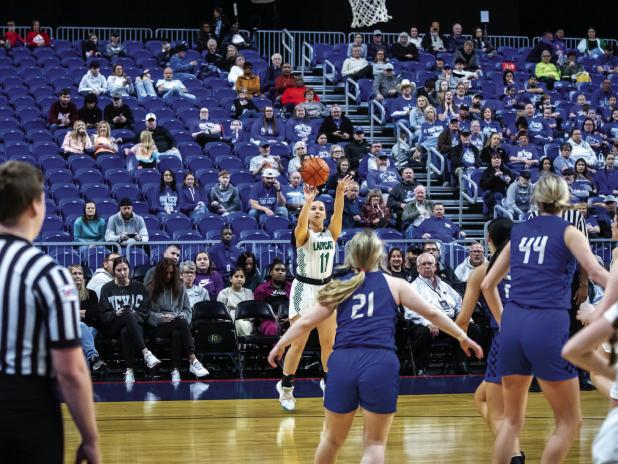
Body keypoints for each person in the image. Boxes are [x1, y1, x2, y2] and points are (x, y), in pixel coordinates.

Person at [268, 229, 483, 463]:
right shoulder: (394, 284)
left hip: (343, 363)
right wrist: (463, 336)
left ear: (351, 256)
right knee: (374, 444)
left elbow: (306, 321)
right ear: (379, 254)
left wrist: (280, 344)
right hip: (379, 363)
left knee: (330, 440)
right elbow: (432, 313)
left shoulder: (339, 286)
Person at [481, 174, 609, 463]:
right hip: (547, 325)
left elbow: (488, 285)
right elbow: (598, 273)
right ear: (565, 199)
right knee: (569, 422)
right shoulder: (568, 232)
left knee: (511, 423)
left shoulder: (519, 231)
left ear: (536, 199)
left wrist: (504, 322)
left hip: (513, 324)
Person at [0, 161, 100, 464]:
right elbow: (70, 370)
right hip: (24, 409)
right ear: (34, 206)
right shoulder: (48, 274)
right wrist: (90, 438)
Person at [276, 177, 352, 411]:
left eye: (321, 208)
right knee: (298, 344)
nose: (318, 210)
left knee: (329, 344)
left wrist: (339, 194)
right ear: (308, 214)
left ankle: (328, 383)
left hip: (326, 290)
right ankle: (286, 388)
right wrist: (308, 201)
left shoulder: (331, 234)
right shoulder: (302, 235)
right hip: (303, 290)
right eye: (314, 208)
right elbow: (300, 226)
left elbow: (338, 214)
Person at [454, 218, 524, 463]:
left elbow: (463, 318)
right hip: (537, 338)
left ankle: (514, 456)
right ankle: (515, 451)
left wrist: (462, 338)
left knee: (496, 412)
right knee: (482, 398)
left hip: (505, 340)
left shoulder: (482, 272)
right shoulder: (530, 266)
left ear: (489, 241)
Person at [407, 252, 481, 375]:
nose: (427, 266)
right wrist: (427, 323)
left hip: (449, 322)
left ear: (435, 267)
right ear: (418, 268)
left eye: (430, 263)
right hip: (428, 322)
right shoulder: (413, 287)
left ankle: (461, 363)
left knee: (473, 328)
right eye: (423, 264)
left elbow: (459, 303)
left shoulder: (444, 285)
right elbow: (411, 311)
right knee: (422, 332)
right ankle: (421, 368)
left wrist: (466, 318)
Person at [99, 257, 162, 384]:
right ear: (113, 271)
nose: (122, 273)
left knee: (126, 329)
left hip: (135, 327)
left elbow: (145, 312)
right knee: (126, 315)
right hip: (112, 326)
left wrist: (132, 317)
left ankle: (129, 371)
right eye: (119, 270)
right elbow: (103, 316)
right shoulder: (106, 288)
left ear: (130, 270)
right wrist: (116, 313)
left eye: (125, 269)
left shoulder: (139, 287)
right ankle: (146, 353)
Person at [147, 258, 209, 382]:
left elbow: (187, 310)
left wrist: (182, 316)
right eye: (166, 273)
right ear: (160, 273)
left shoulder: (180, 288)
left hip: (176, 323)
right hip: (157, 326)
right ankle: (193, 359)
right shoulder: (150, 288)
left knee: (178, 331)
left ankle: (175, 370)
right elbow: (146, 313)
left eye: (171, 273)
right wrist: (160, 318)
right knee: (181, 324)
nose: (168, 276)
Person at [69, 265, 106, 373]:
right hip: (69, 328)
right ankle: (93, 358)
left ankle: (81, 373)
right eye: (74, 273)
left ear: (84, 277)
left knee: (84, 329)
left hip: (89, 328)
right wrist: (84, 313)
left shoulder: (91, 294)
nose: (78, 276)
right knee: (81, 326)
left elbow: (95, 314)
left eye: (80, 273)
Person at [217, 267, 254, 336]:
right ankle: (247, 342)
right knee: (238, 323)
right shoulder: (224, 293)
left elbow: (251, 313)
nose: (239, 279)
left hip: (246, 321)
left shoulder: (248, 292)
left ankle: (243, 343)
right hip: (228, 322)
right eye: (236, 276)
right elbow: (220, 314)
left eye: (242, 277)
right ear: (231, 279)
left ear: (245, 279)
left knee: (241, 323)